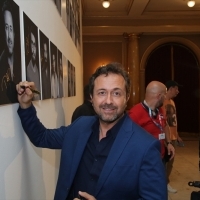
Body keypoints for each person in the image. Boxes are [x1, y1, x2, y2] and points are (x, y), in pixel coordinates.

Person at [16, 63, 167, 200]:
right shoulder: (79, 127)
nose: (108, 101)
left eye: (116, 93)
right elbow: (41, 137)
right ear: (91, 97)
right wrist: (25, 105)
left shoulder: (145, 146)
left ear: (127, 97)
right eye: (101, 92)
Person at [128, 81, 175, 163]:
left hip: (160, 157)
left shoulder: (160, 110)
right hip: (145, 160)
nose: (165, 98)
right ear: (159, 96)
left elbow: (165, 125)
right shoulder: (135, 113)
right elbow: (128, 140)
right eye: (164, 95)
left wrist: (169, 142)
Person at [162, 80, 183, 193]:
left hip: (173, 137)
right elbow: (162, 122)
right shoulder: (162, 102)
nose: (178, 91)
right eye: (176, 89)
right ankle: (163, 184)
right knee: (165, 162)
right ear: (170, 89)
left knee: (170, 163)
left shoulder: (172, 102)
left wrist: (177, 135)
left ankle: (166, 182)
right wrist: (166, 139)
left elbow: (173, 120)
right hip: (166, 138)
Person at [0, 0, 21, 105]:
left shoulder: (20, 66)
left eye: (11, 29)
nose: (9, 37)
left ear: (15, 34)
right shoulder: (1, 65)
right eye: (6, 28)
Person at [26, 26, 40, 100]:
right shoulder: (28, 69)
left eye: (35, 44)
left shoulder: (38, 69)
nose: (34, 49)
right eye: (32, 44)